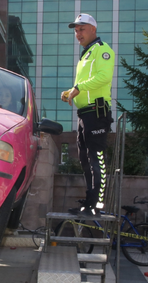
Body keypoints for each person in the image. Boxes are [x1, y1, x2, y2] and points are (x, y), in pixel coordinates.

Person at [61, 13, 115, 216]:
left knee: (96, 157)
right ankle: (90, 202)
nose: (78, 33)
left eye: (81, 29)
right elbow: (85, 84)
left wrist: (77, 87)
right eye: (76, 30)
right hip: (85, 113)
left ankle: (97, 206)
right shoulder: (87, 53)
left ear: (93, 29)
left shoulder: (102, 50)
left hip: (96, 112)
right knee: (85, 158)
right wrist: (70, 92)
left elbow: (104, 77)